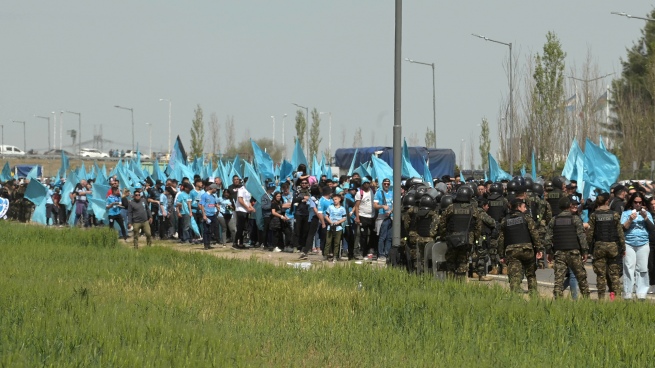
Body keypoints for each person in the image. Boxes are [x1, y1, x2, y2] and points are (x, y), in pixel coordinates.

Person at [544, 196, 590, 299]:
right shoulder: (575, 219)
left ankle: (558, 301)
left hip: (559, 253)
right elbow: (581, 236)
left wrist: (549, 252)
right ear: (569, 206)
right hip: (574, 252)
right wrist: (585, 251)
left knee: (559, 279)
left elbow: (547, 239)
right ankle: (587, 300)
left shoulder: (554, 220)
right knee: (581, 277)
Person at [497, 198, 542, 293]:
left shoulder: (505, 221)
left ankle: (515, 299)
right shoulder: (527, 218)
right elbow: (534, 234)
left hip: (512, 251)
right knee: (531, 275)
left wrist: (501, 255)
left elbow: (501, 239)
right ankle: (533, 296)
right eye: (524, 207)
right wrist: (539, 249)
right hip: (527, 250)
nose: (525, 209)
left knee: (514, 276)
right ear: (518, 207)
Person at [438, 186, 481, 281]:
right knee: (462, 262)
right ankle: (460, 283)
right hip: (467, 240)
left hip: (452, 238)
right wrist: (475, 239)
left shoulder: (451, 208)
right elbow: (478, 227)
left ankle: (450, 283)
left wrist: (443, 236)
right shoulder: (473, 209)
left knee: (450, 262)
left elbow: (442, 224)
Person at [587, 193, 624, 300]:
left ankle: (601, 298)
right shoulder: (615, 214)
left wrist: (587, 249)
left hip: (599, 247)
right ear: (607, 201)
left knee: (600, 274)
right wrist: (623, 247)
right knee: (615, 274)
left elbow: (590, 234)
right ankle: (617, 298)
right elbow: (620, 232)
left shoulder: (594, 215)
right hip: (613, 247)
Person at [620, 192, 654, 300]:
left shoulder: (647, 214)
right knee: (629, 268)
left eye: (640, 202)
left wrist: (645, 218)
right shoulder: (626, 213)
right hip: (629, 243)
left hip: (643, 243)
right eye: (635, 202)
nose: (638, 204)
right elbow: (622, 229)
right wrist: (630, 219)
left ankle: (641, 294)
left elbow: (652, 228)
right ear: (632, 203)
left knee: (642, 268)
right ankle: (628, 294)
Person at [355, 177, 377, 259]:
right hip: (363, 216)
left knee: (372, 235)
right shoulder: (359, 193)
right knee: (363, 236)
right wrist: (357, 217)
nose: (366, 184)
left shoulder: (373, 192)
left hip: (372, 216)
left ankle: (370, 251)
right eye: (365, 183)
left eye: (368, 183)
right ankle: (362, 252)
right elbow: (357, 206)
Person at [374, 178, 393, 262]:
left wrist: (390, 211)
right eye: (385, 183)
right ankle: (381, 254)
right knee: (382, 237)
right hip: (382, 216)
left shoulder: (392, 193)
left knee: (389, 237)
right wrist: (382, 206)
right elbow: (375, 205)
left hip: (391, 216)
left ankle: (387, 253)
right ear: (382, 184)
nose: (386, 185)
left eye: (387, 184)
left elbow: (395, 204)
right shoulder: (379, 193)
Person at [324, 193, 347, 262]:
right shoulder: (330, 207)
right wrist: (330, 222)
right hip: (330, 227)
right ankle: (325, 255)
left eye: (336, 199)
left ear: (339, 200)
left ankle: (335, 256)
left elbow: (344, 218)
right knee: (328, 242)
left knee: (337, 243)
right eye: (333, 199)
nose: (334, 201)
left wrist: (338, 222)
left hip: (338, 227)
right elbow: (326, 216)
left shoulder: (342, 209)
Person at [234, 178, 255, 249]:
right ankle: (235, 242)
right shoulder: (241, 190)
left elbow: (247, 201)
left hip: (246, 211)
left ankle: (241, 243)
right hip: (241, 210)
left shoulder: (248, 191)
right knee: (240, 227)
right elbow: (240, 200)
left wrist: (251, 207)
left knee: (244, 228)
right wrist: (247, 207)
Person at [199, 184, 219, 250]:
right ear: (212, 188)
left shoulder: (213, 196)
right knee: (206, 230)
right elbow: (202, 205)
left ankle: (209, 243)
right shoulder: (204, 195)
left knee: (211, 230)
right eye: (215, 189)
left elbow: (214, 204)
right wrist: (204, 215)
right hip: (207, 215)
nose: (216, 190)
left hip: (213, 214)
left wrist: (217, 207)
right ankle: (206, 244)